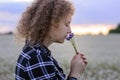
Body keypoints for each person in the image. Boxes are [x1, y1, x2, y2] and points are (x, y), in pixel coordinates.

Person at [15, 0, 87, 80]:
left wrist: (73, 72)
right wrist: (75, 73)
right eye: (67, 24)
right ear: (50, 24)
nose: (70, 30)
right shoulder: (37, 59)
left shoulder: (35, 51)